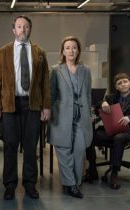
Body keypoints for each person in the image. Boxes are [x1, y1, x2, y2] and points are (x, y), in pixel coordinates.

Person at [0, 15, 51, 200]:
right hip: (10, 105)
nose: (22, 30)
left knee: (31, 146)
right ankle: (9, 185)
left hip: (32, 105)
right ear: (13, 30)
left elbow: (45, 83)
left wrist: (46, 106)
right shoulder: (4, 51)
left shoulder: (39, 52)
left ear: (30, 29)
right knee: (10, 146)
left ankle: (30, 185)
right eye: (19, 27)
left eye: (26, 27)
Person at [86, 72, 130, 189]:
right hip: (112, 129)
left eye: (125, 82)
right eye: (119, 83)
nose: (123, 84)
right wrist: (102, 103)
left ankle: (114, 173)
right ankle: (92, 169)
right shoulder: (111, 98)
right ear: (116, 87)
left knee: (119, 138)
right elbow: (97, 110)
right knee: (90, 135)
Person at [48, 36, 93, 199]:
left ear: (78, 50)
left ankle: (74, 181)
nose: (71, 50)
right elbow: (51, 94)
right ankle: (70, 185)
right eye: (67, 47)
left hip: (81, 116)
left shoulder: (85, 70)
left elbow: (88, 94)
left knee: (80, 150)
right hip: (61, 115)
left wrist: (90, 114)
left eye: (74, 47)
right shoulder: (55, 70)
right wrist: (47, 112)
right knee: (64, 150)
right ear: (63, 51)